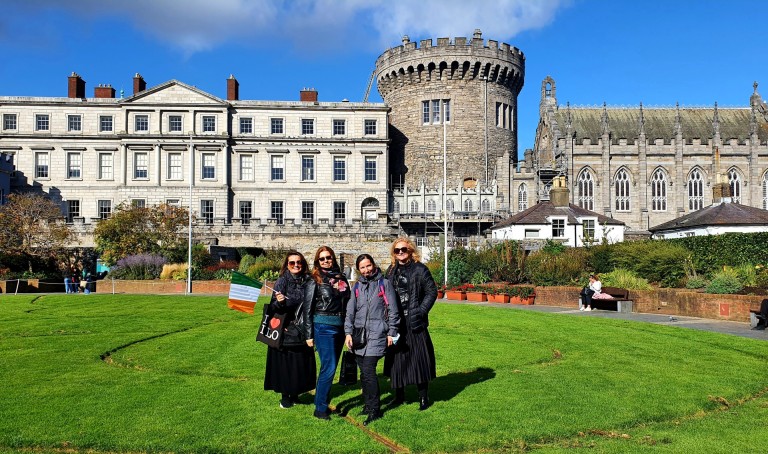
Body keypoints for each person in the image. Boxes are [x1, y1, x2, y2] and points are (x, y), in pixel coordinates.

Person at [345, 254, 399, 426]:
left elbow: (393, 310)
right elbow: (350, 312)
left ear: (374, 265)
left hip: (377, 334)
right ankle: (368, 406)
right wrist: (347, 332)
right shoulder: (357, 287)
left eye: (368, 266)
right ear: (358, 270)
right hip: (359, 336)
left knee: (368, 372)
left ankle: (375, 409)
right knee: (364, 374)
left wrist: (392, 332)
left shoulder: (385, 284)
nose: (366, 270)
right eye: (362, 267)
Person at [384, 237, 438, 411]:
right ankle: (399, 396)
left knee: (419, 359)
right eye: (397, 250)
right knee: (396, 360)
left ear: (411, 251)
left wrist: (421, 312)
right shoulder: (391, 271)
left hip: (414, 320)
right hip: (396, 322)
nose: (400, 253)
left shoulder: (420, 269)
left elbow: (432, 292)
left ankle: (423, 397)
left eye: (404, 250)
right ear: (394, 253)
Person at [264, 251, 317, 409]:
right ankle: (285, 396)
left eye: (298, 262)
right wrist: (279, 303)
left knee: (299, 364)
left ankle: (295, 393)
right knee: (285, 365)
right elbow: (272, 309)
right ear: (286, 265)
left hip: (303, 328)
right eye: (292, 263)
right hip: (285, 330)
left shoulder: (308, 280)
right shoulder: (282, 281)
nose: (296, 265)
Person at [310, 246, 350, 420]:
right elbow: (307, 307)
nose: (326, 261)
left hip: (340, 326)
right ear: (317, 261)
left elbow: (348, 303)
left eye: (329, 258)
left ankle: (319, 399)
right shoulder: (314, 279)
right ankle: (320, 408)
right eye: (322, 258)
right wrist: (308, 334)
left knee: (329, 366)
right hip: (323, 326)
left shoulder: (341, 278)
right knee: (329, 366)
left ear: (333, 259)